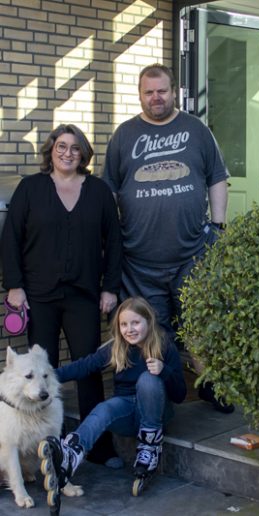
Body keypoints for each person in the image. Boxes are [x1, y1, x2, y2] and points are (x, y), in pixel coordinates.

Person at [102, 63, 233, 413]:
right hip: (139, 261)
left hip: (192, 253)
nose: (155, 97)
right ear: (140, 94)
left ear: (173, 91)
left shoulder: (195, 130)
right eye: (149, 92)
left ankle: (210, 386)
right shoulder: (124, 135)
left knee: (199, 327)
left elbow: (216, 178)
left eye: (162, 90)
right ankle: (155, 398)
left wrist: (217, 228)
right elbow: (109, 192)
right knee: (151, 331)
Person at [1, 123, 122, 465]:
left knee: (88, 369)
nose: (68, 153)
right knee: (41, 372)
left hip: (83, 295)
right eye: (61, 147)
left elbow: (113, 242)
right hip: (38, 296)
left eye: (75, 148)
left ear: (83, 153)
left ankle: (98, 446)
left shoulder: (98, 191)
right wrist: (14, 285)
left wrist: (110, 287)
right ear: (51, 151)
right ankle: (46, 449)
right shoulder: (31, 188)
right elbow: (10, 239)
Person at [38, 296, 186, 501]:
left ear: (148, 322)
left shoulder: (164, 346)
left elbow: (180, 395)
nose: (129, 329)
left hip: (156, 412)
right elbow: (84, 366)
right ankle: (72, 453)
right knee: (105, 408)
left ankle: (150, 448)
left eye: (135, 323)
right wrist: (45, 377)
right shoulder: (117, 347)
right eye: (124, 324)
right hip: (126, 413)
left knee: (148, 380)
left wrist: (164, 371)